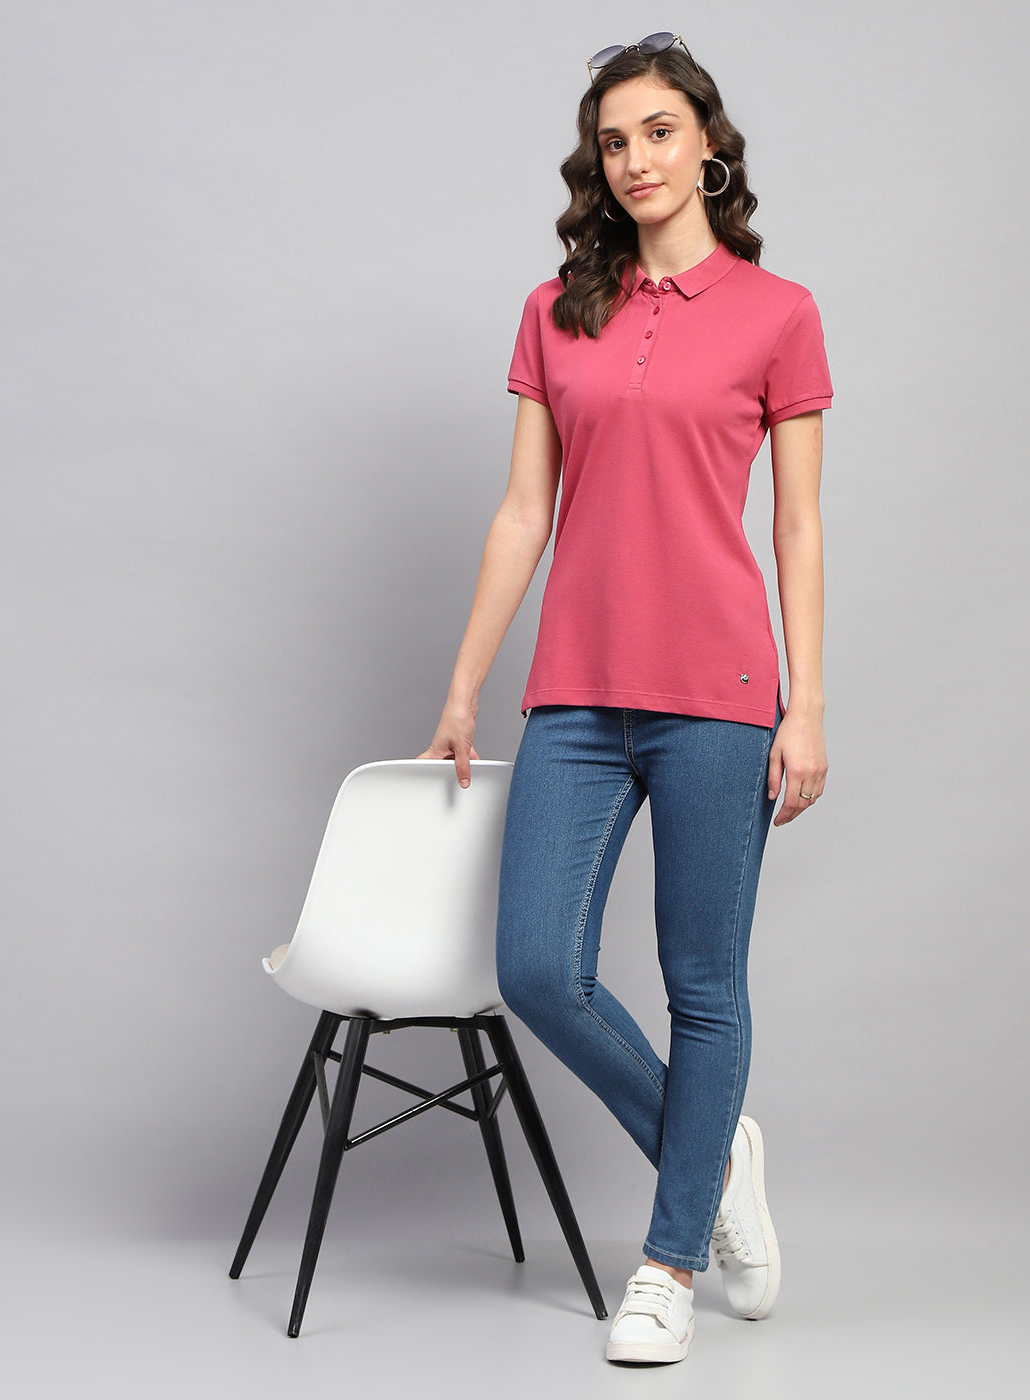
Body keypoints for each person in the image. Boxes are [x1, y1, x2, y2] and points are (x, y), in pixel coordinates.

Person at [418, 32, 832, 1366]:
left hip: (722, 691)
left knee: (704, 983)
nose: (637, 158)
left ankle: (667, 1264)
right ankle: (712, 1161)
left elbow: (799, 528)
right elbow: (522, 511)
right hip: (578, 692)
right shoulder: (558, 312)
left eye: (659, 131)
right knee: (539, 967)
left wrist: (808, 704)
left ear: (708, 145)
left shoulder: (779, 314)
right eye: (614, 141)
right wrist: (464, 687)